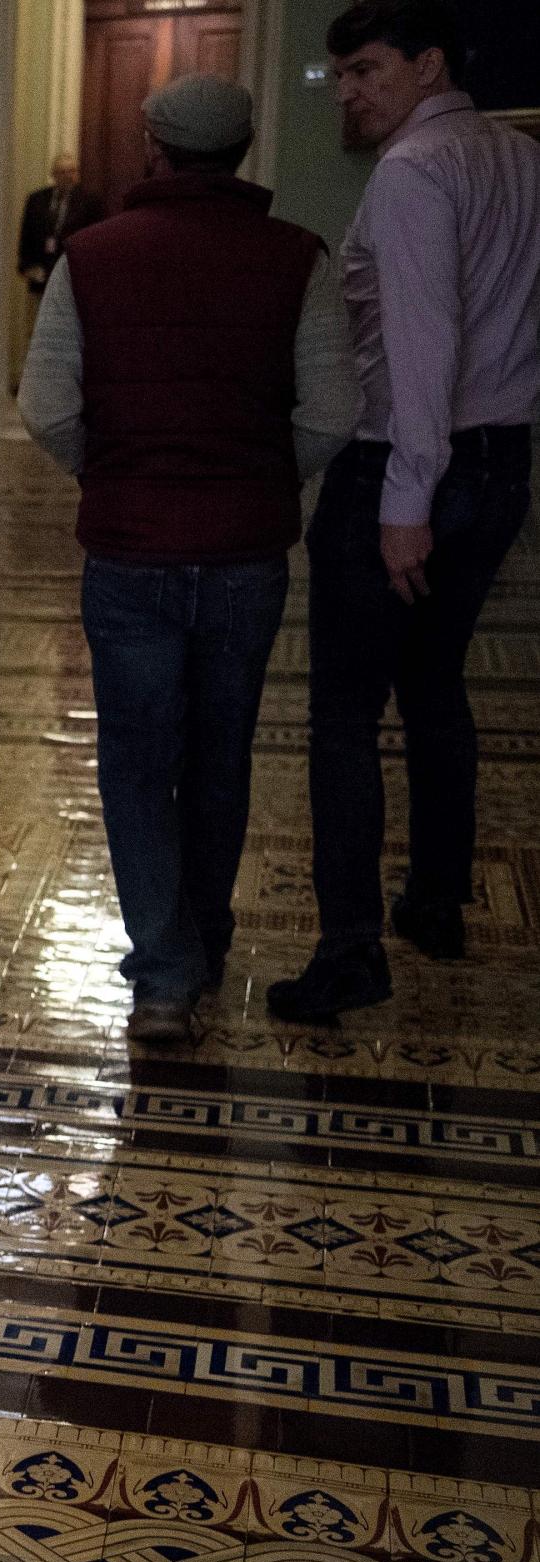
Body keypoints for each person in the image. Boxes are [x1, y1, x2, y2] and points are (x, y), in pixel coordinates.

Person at [18, 75, 359, 1046]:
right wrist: (253, 480)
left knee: (134, 762)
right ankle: (203, 940)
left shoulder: (90, 256)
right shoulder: (298, 256)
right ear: (243, 151)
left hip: (130, 550)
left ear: (153, 148)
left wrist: (118, 472)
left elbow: (44, 407)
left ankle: (164, 975)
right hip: (247, 554)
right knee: (219, 755)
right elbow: (333, 412)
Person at [268, 0, 540, 1023]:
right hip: (500, 460)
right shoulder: (516, 157)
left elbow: (422, 349)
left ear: (429, 65)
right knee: (434, 687)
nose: (345, 90)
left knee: (342, 712)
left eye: (365, 70)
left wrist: (402, 503)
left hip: (406, 464)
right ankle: (434, 901)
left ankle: (349, 954)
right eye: (336, 74)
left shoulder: (415, 173)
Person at [17, 155, 103, 298]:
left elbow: (96, 238)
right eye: (63, 172)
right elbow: (26, 236)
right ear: (54, 174)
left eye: (72, 171)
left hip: (73, 276)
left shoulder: (90, 202)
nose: (68, 176)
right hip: (41, 277)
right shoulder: (36, 200)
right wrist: (26, 266)